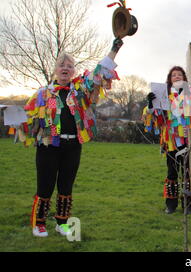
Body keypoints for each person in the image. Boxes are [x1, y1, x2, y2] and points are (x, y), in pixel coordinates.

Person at [19, 38, 124, 237]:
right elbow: (26, 118)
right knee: (45, 184)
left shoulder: (79, 91)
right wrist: (18, 121)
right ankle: (39, 223)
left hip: (73, 145)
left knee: (66, 185)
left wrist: (114, 49)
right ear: (55, 69)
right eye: (61, 65)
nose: (65, 68)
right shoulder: (42, 94)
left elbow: (98, 73)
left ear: (74, 71)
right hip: (48, 145)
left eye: (69, 66)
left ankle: (62, 222)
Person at [142, 45, 191, 215]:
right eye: (173, 75)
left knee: (188, 172)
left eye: (179, 74)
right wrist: (150, 104)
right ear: (169, 79)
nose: (177, 76)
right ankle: (170, 205)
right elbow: (152, 117)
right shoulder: (163, 96)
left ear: (184, 78)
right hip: (171, 141)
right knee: (172, 172)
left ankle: (188, 205)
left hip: (189, 138)